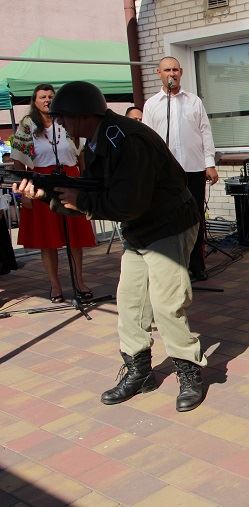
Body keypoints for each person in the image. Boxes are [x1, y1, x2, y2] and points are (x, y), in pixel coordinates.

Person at [13, 81, 206, 412]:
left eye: (63, 117)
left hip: (168, 224)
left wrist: (79, 200)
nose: (60, 124)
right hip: (139, 228)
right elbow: (93, 193)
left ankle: (189, 372)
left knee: (166, 303)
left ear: (83, 115)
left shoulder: (127, 140)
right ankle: (139, 372)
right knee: (130, 303)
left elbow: (126, 203)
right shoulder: (96, 141)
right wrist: (46, 194)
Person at [9, 83, 96, 302]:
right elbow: (18, 159)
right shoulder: (28, 124)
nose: (47, 100)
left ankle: (79, 281)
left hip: (70, 178)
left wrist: (85, 182)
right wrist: (25, 191)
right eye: (42, 97)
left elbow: (80, 154)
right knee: (48, 239)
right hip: (42, 182)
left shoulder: (65, 119)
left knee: (75, 237)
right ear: (35, 101)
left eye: (50, 96)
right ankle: (55, 286)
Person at [142, 56, 217, 282]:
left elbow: (205, 132)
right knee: (168, 218)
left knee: (195, 218)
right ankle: (175, 264)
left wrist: (209, 163)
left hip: (193, 168)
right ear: (159, 73)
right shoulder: (152, 104)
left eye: (175, 69)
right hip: (166, 174)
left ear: (181, 72)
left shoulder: (193, 101)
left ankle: (197, 264)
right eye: (167, 70)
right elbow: (147, 139)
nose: (171, 74)